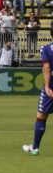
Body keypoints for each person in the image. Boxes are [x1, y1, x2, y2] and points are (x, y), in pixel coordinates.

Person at [22, 26, 53, 155]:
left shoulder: (46, 49)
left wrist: (47, 87)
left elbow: (46, 68)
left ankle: (35, 148)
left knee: (41, 116)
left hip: (51, 85)